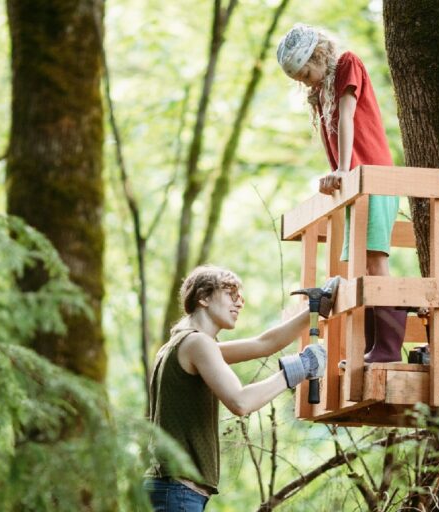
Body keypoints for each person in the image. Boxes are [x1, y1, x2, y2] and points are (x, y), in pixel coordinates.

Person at [143, 265, 331, 511]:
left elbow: (264, 343)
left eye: (240, 296)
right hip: (178, 492)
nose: (239, 302)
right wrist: (299, 368)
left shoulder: (181, 344)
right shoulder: (197, 344)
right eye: (230, 293)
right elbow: (240, 402)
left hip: (174, 490)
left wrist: (314, 310)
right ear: (203, 297)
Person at [277, 23, 406, 363]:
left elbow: (347, 117)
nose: (306, 81)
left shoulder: (348, 63)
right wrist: (333, 175)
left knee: (376, 261)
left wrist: (343, 170)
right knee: (359, 267)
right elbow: (330, 136)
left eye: (306, 73)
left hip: (373, 176)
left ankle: (388, 350)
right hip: (353, 182)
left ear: (318, 56)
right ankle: (371, 347)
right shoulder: (319, 92)